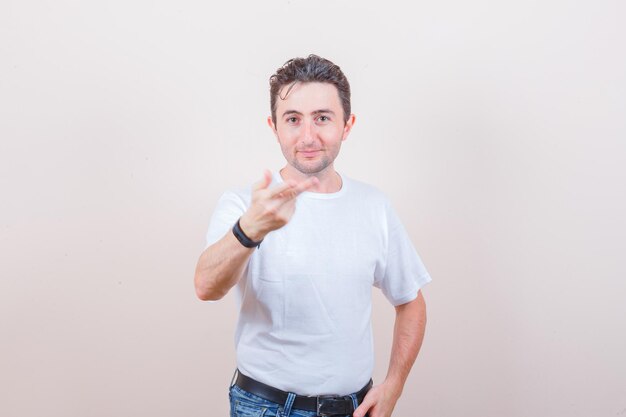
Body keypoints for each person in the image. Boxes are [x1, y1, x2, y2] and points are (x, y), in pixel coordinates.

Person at [194, 55, 431, 417]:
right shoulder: (243, 204)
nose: (308, 136)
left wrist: (393, 386)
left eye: (322, 118)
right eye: (292, 120)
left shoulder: (373, 206)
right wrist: (249, 230)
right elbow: (206, 287)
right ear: (274, 126)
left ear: (347, 125)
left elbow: (411, 301)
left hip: (354, 408)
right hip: (264, 407)